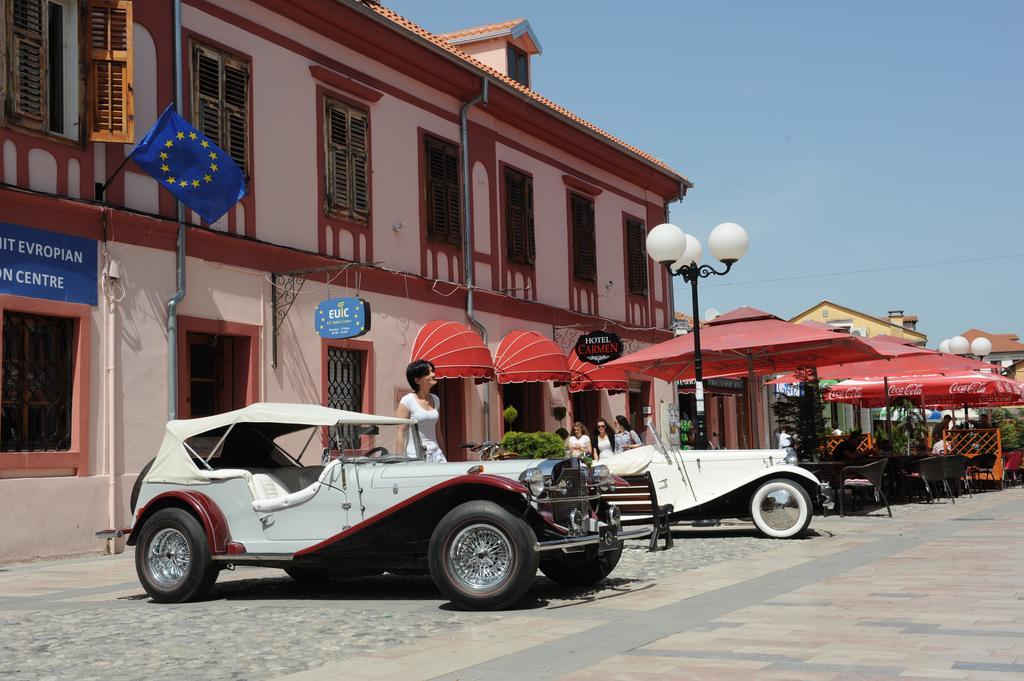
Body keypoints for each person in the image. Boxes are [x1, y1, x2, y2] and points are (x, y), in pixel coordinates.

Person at [396, 360, 446, 463]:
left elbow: (438, 432)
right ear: (417, 380)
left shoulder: (436, 399)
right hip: (416, 457)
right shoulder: (407, 401)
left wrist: (444, 455)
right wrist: (399, 462)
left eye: (432, 371)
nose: (433, 374)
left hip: (437, 455)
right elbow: (401, 432)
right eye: (428, 373)